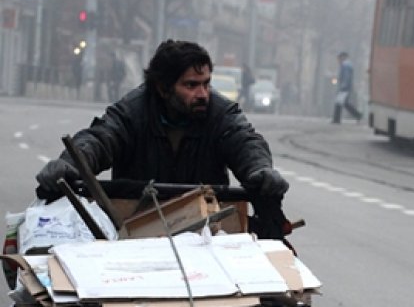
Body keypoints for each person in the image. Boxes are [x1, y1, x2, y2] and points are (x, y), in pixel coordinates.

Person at [35, 40, 288, 207]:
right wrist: (69, 164)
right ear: (163, 88)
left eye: (206, 84)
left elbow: (244, 140)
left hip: (208, 231)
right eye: (191, 85)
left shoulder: (220, 113)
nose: (202, 94)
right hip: (134, 226)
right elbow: (101, 138)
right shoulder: (133, 112)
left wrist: (260, 170)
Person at [332, 51, 362, 124]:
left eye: (339, 59)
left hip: (344, 88)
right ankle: (358, 115)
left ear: (343, 57)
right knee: (345, 103)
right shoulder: (347, 65)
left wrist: (343, 86)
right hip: (346, 87)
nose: (338, 61)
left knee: (338, 103)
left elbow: (346, 76)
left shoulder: (345, 65)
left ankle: (336, 120)